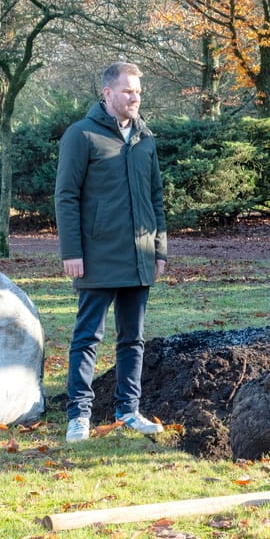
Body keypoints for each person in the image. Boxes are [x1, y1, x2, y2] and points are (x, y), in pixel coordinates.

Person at [55, 62, 168, 443]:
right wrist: (72, 251)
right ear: (107, 94)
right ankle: (79, 417)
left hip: (139, 258)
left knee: (132, 339)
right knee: (88, 337)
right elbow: (66, 196)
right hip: (96, 257)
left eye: (138, 91)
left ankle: (128, 411)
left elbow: (155, 197)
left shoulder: (145, 138)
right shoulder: (80, 135)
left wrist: (159, 250)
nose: (134, 97)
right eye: (127, 91)